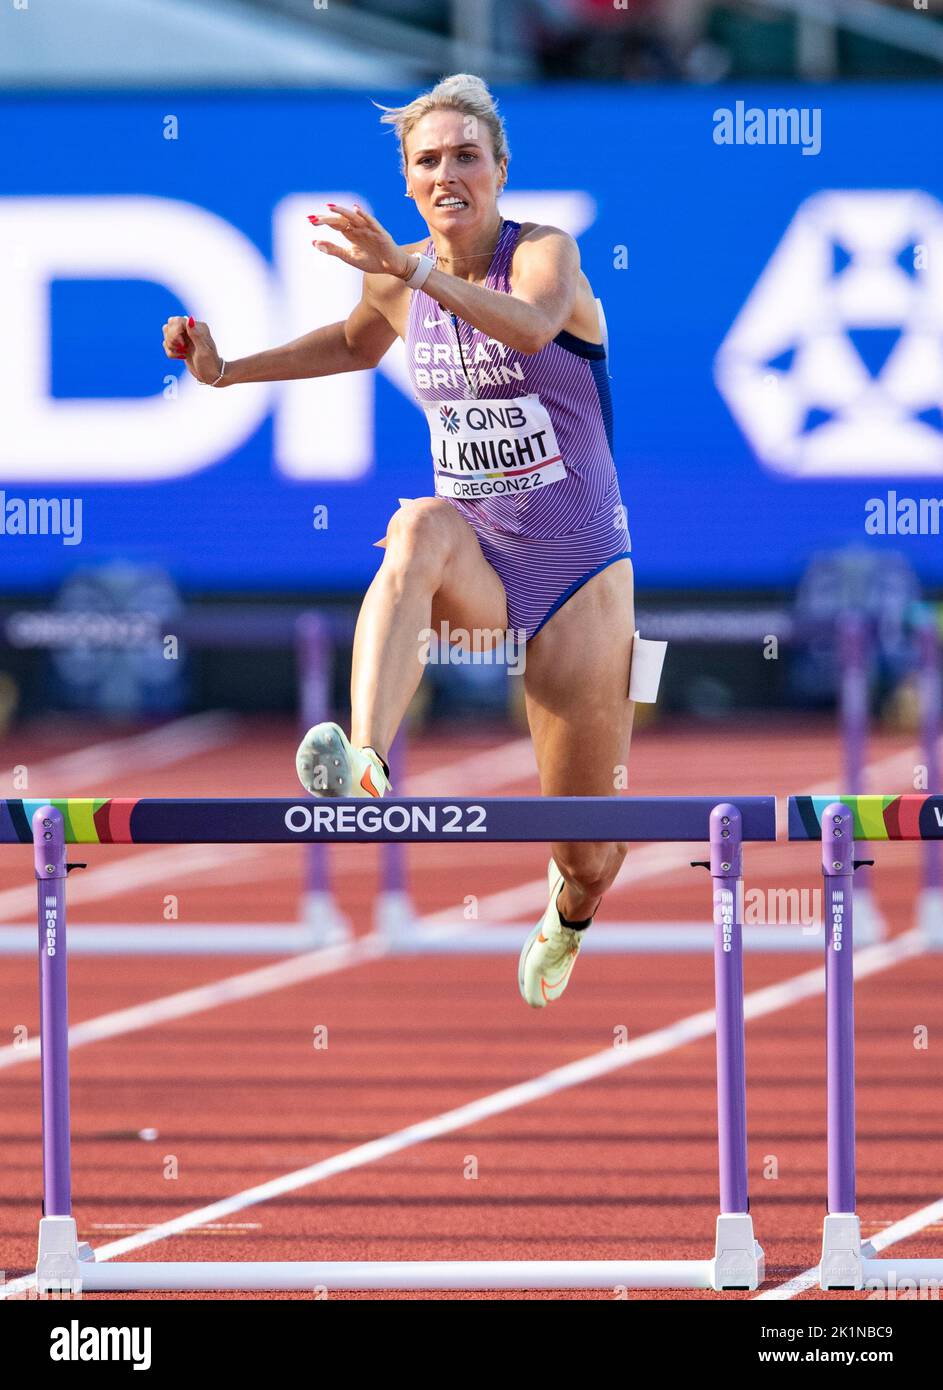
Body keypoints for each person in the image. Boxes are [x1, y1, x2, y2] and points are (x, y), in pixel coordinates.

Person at [161, 73, 636, 1009]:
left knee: (585, 849)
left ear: (500, 171)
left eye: (467, 156)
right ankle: (364, 754)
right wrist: (224, 374)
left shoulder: (544, 253)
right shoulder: (395, 275)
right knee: (413, 524)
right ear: (409, 183)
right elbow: (348, 344)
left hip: (580, 572)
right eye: (430, 161)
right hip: (477, 560)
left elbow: (536, 330)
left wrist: (415, 273)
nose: (449, 172)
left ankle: (570, 910)